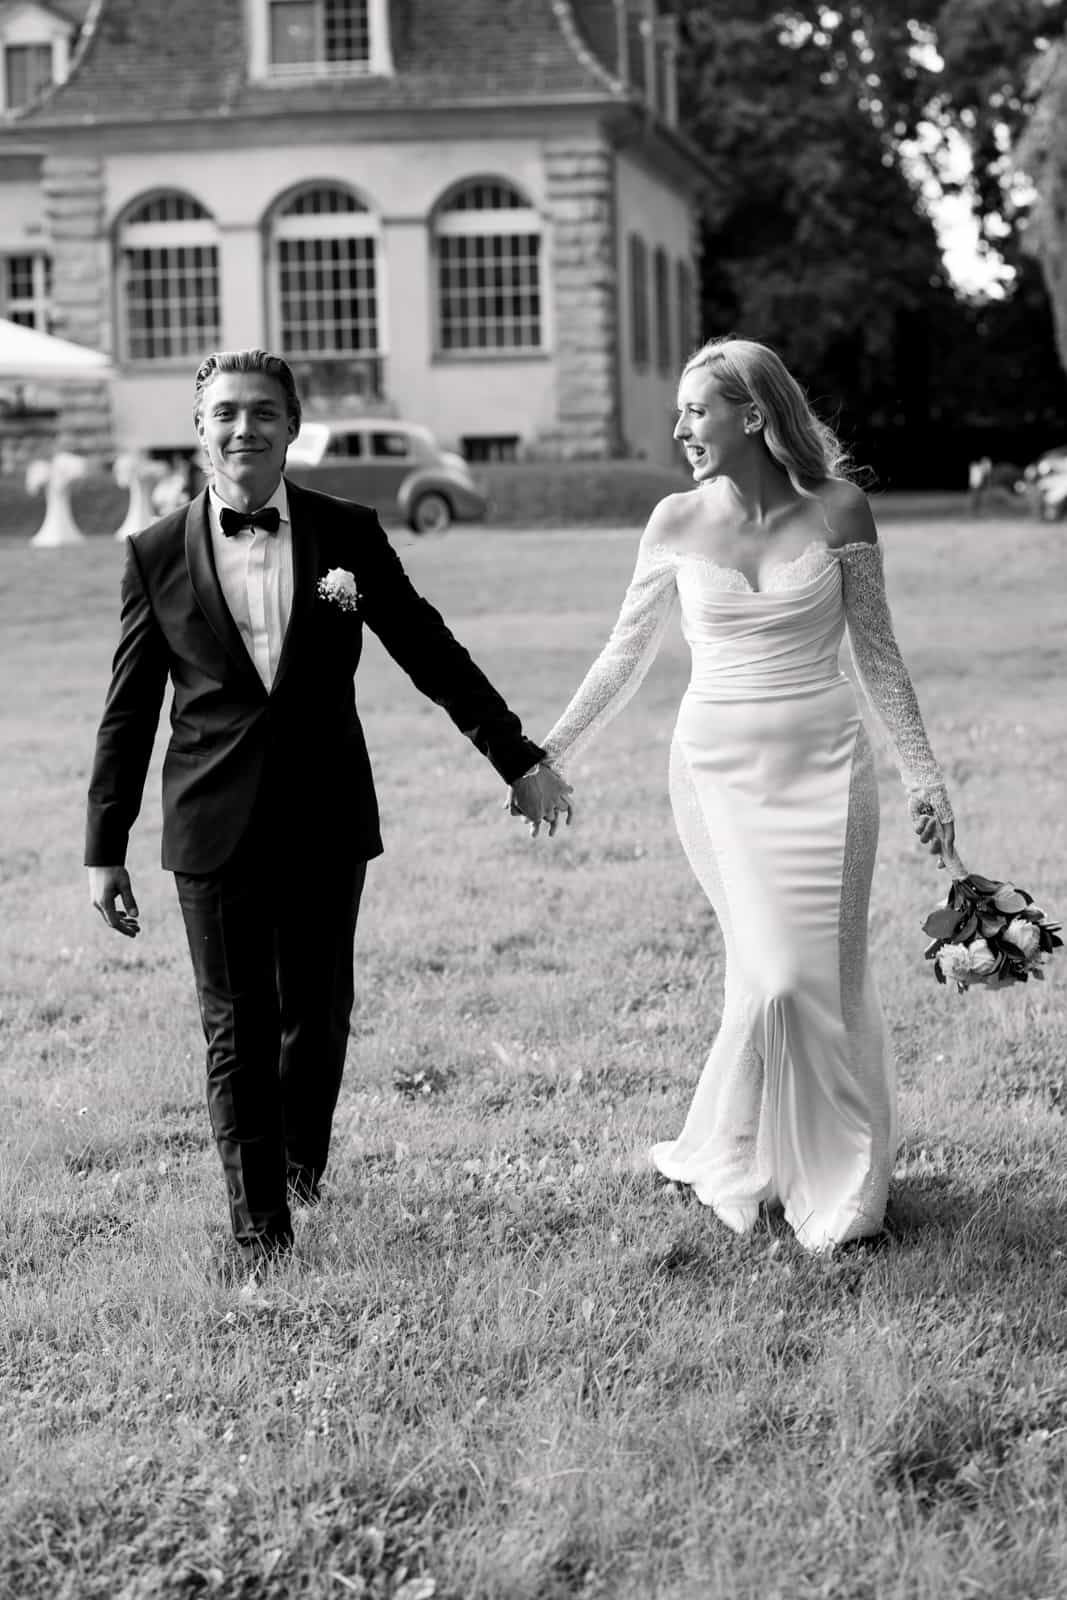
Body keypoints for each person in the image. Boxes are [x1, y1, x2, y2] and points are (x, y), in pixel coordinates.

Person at [85, 348, 572, 1282]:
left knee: (318, 1012)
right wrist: (104, 846)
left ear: (292, 426)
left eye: (263, 412)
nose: (244, 428)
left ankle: (299, 1170)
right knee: (236, 1024)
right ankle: (260, 1231)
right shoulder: (153, 553)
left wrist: (516, 758)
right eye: (226, 412)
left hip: (324, 811)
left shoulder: (346, 532)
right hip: (210, 821)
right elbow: (128, 710)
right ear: (200, 429)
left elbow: (427, 647)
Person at [540, 336, 958, 1252]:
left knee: (827, 978)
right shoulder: (673, 520)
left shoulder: (840, 511)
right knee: (770, 975)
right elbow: (622, 654)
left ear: (753, 415)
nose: (679, 429)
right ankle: (736, 1153)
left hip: (828, 767)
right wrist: (548, 752)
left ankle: (849, 1177)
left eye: (696, 411)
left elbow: (879, 657)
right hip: (716, 774)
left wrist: (923, 775)